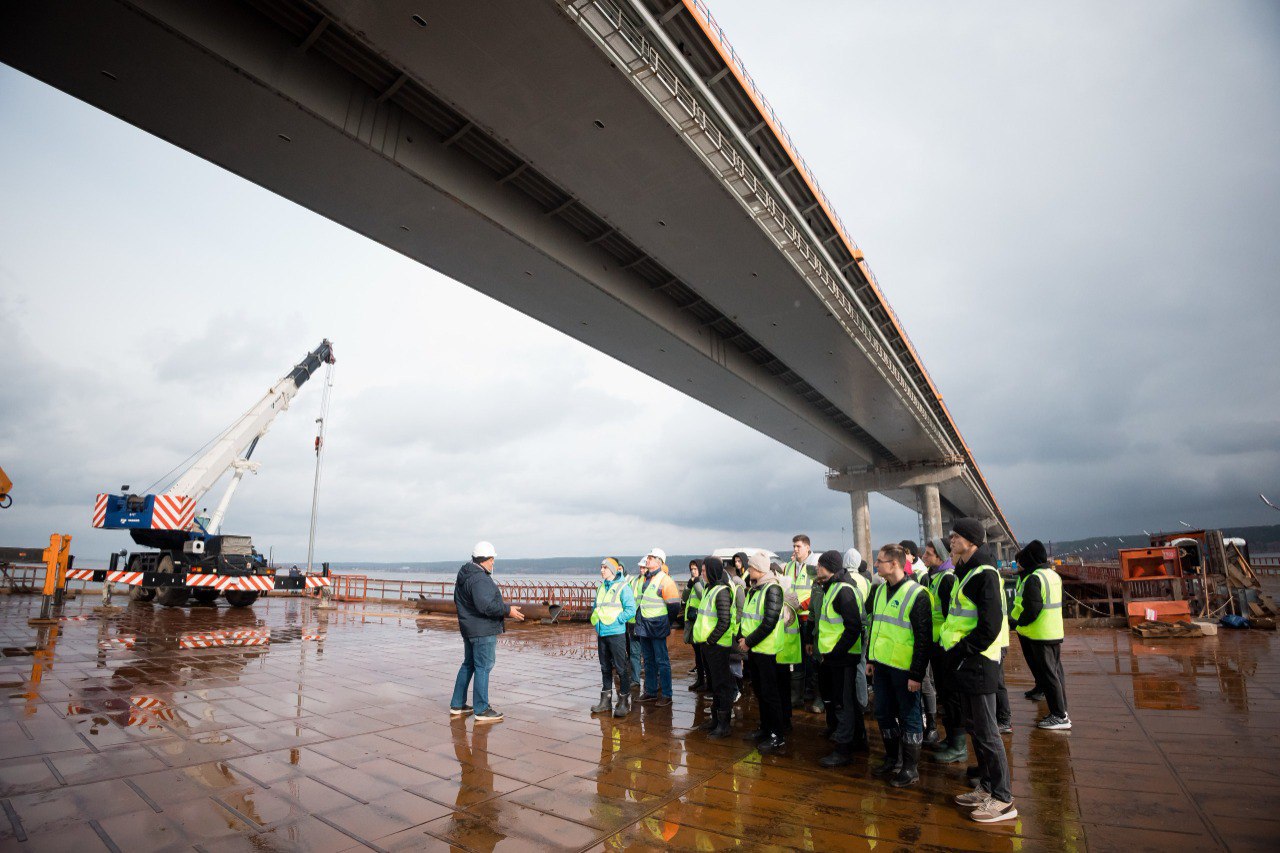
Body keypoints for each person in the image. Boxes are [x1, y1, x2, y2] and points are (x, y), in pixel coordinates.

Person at [941, 519, 1017, 823]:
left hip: (979, 662)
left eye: (955, 537)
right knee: (976, 728)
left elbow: (989, 626)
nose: (951, 541)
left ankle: (1003, 798)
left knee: (988, 732)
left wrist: (960, 652)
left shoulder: (983, 574)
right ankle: (986, 787)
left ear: (971, 541)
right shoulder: (968, 572)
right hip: (967, 664)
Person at [866, 544, 932, 787]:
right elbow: (876, 627)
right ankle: (892, 758)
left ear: (894, 564)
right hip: (882, 665)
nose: (876, 564)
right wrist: (871, 659)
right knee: (882, 712)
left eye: (880, 561)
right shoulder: (879, 591)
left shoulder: (918, 594)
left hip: (905, 670)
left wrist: (917, 674)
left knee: (909, 716)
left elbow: (924, 639)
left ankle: (910, 768)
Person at [451, 541, 524, 723]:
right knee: (483, 666)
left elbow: (461, 602)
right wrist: (508, 610)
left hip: (469, 628)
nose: (493, 563)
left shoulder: (465, 576)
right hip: (482, 630)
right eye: (492, 559)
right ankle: (481, 709)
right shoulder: (480, 579)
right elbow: (486, 606)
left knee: (469, 664)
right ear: (485, 560)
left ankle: (457, 704)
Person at [813, 549, 868, 766]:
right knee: (848, 700)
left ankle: (843, 749)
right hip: (836, 657)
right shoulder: (833, 588)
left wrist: (836, 652)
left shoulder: (842, 591)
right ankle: (858, 739)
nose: (817, 569)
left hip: (842, 658)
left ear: (829, 568)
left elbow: (853, 626)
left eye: (820, 565)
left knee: (843, 703)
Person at [739, 552, 798, 751]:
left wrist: (748, 641)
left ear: (759, 569)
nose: (748, 570)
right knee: (760, 692)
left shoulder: (772, 589)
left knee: (770, 693)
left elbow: (769, 622)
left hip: (766, 650)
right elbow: (749, 618)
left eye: (751, 567)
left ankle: (777, 734)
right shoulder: (756, 589)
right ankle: (765, 728)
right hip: (755, 649)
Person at [1011, 540, 1070, 730]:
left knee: (1048, 675)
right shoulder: (1054, 575)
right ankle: (1061, 711)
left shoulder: (1034, 578)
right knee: (1055, 673)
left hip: (1040, 633)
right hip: (1053, 630)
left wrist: (1019, 622)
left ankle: (1059, 715)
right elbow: (1063, 601)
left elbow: (1032, 610)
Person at [923, 537, 966, 762]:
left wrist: (945, 643)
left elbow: (951, 616)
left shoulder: (946, 580)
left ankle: (959, 745)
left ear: (939, 557)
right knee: (945, 694)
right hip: (936, 646)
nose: (924, 557)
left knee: (951, 695)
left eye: (928, 554)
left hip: (945, 646)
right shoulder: (934, 578)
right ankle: (950, 738)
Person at [693, 556, 738, 737]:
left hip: (718, 646)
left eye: (704, 571)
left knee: (722, 685)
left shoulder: (721, 591)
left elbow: (725, 621)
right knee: (714, 684)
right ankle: (715, 719)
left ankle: (724, 725)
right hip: (708, 645)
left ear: (712, 571)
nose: (702, 574)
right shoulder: (709, 589)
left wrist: (711, 640)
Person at [591, 558, 637, 718]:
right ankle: (605, 701)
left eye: (604, 567)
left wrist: (617, 620)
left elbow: (631, 609)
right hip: (602, 632)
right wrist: (596, 621)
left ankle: (624, 701)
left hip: (616, 633)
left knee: (621, 668)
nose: (601, 570)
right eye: (601, 567)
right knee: (604, 667)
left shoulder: (624, 587)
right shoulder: (601, 587)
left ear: (613, 569)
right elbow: (596, 606)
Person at [634, 548, 681, 706]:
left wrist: (666, 621)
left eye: (650, 557)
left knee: (662, 661)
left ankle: (666, 694)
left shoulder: (665, 580)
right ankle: (651, 692)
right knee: (648, 660)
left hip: (657, 625)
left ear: (659, 561)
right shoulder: (646, 579)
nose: (647, 560)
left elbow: (674, 606)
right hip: (644, 625)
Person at [783, 535, 820, 712]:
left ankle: (814, 694)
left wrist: (803, 605)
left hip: (808, 617)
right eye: (794, 546)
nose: (795, 549)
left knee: (812, 658)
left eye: (798, 546)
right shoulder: (789, 566)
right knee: (797, 657)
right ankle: (797, 696)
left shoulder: (814, 566)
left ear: (807, 547)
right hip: (792, 618)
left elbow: (818, 590)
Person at [682, 560, 707, 690]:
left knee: (702, 653)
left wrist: (696, 582)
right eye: (691, 569)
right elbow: (684, 598)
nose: (693, 571)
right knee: (697, 653)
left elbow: (702, 596)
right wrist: (688, 585)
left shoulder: (703, 582)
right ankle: (700, 680)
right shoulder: (693, 582)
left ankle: (705, 681)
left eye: (695, 569)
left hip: (699, 621)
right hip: (691, 620)